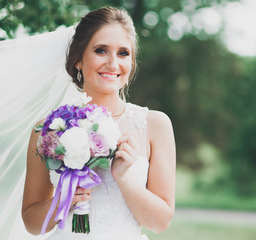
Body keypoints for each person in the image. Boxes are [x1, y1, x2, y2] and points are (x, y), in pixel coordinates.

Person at [21, 7, 176, 240]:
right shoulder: (49, 129)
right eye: (101, 50)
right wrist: (64, 200)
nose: (113, 64)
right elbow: (32, 224)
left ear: (132, 63)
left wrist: (124, 177)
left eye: (123, 53)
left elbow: (160, 222)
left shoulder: (154, 125)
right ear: (78, 61)